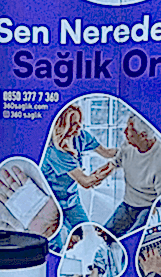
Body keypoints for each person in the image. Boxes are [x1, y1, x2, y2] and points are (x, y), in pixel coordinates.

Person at [41, 104, 117, 248]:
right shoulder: (55, 152)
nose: (79, 127)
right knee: (57, 245)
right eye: (73, 124)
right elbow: (85, 182)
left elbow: (106, 153)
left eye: (79, 122)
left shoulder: (80, 136)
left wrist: (126, 152)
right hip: (52, 205)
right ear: (62, 127)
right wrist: (110, 168)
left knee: (89, 238)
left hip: (72, 201)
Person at [104, 115, 161, 237]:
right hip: (128, 205)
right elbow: (116, 161)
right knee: (105, 234)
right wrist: (98, 176)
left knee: (132, 239)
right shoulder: (128, 145)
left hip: (148, 208)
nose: (124, 132)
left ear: (142, 135)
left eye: (129, 129)